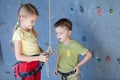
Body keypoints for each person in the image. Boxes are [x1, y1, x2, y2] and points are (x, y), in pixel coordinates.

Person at [12, 3, 48, 80]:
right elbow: (18, 57)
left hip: (36, 64)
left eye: (35, 21)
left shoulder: (31, 31)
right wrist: (39, 58)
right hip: (27, 66)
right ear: (22, 19)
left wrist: (44, 53)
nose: (34, 24)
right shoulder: (19, 33)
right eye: (32, 21)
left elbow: (34, 47)